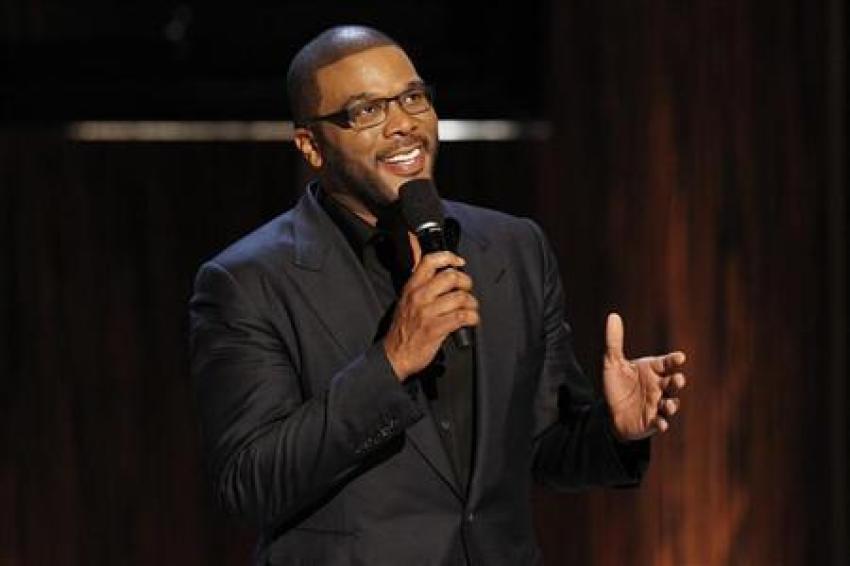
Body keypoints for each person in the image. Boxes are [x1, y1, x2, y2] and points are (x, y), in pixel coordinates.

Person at [189, 25, 687, 566]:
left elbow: (541, 447)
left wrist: (613, 430)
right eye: (367, 112)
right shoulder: (248, 281)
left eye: (412, 97)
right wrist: (390, 363)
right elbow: (249, 483)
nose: (403, 124)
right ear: (311, 145)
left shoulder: (512, 247)